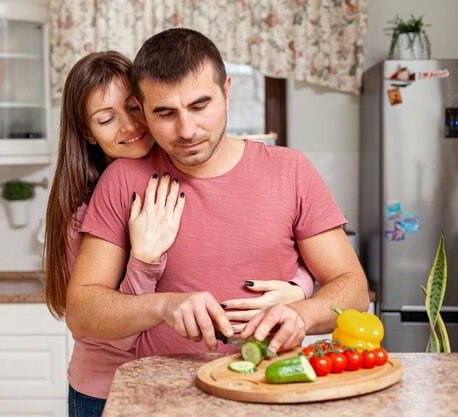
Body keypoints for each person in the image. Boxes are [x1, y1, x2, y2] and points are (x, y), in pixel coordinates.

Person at [65, 29, 370, 359]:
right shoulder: (123, 179)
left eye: (200, 105)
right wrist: (164, 305)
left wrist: (302, 314)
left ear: (226, 90)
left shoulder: (291, 169)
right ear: (142, 107)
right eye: (165, 113)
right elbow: (83, 315)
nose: (187, 130)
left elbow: (353, 289)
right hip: (161, 393)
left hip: (266, 385)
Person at [44, 51, 315, 417]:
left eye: (136, 109)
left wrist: (299, 287)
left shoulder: (176, 176)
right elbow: (113, 330)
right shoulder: (90, 208)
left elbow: (249, 248)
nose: (129, 126)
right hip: (105, 386)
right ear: (88, 134)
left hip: (185, 380)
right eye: (106, 119)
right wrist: (143, 261)